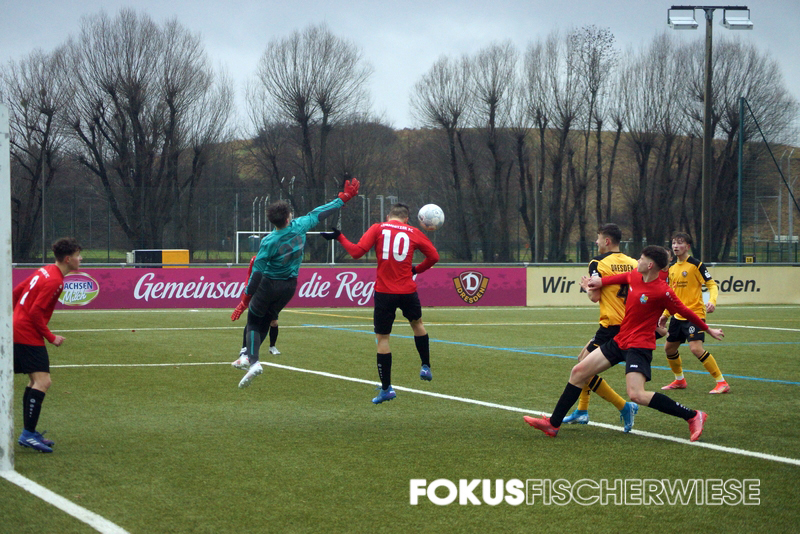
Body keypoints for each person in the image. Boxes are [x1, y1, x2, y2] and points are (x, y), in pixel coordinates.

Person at [524, 246, 724, 442]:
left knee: (636, 395)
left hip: (639, 346)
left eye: (641, 258)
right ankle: (553, 424)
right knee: (578, 372)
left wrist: (708, 330)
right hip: (620, 340)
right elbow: (617, 278)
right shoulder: (634, 276)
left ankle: (693, 415)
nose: (638, 261)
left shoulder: (663, 291)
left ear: (650, 265)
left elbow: (686, 312)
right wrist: (598, 282)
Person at [232, 177, 360, 388]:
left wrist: (245, 300)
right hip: (289, 286)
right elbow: (319, 213)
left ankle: (252, 360)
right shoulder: (300, 226)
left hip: (269, 284)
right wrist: (342, 199)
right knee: (267, 320)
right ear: (288, 217)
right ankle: (248, 358)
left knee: (253, 320)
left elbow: (257, 273)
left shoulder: (269, 241)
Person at [323, 203, 439, 404]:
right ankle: (425, 366)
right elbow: (434, 257)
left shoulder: (378, 228)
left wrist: (339, 237)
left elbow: (356, 252)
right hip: (408, 291)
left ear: (388, 216)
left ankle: (386, 389)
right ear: (406, 219)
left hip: (385, 292)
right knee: (417, 324)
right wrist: (416, 270)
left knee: (383, 338)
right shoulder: (413, 232)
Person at [562, 224, 639, 431]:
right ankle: (582, 410)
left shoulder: (598, 262)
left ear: (607, 241)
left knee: (582, 370)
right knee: (582, 362)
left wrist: (586, 287)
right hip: (630, 323)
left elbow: (595, 296)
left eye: (598, 238)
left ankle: (624, 406)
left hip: (611, 325)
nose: (596, 242)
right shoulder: (633, 262)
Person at [13, 237, 83, 453]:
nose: (81, 259)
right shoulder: (55, 281)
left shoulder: (45, 270)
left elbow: (17, 291)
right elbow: (35, 311)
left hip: (19, 327)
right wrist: (51, 337)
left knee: (34, 380)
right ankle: (27, 434)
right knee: (43, 382)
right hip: (27, 332)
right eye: (78, 255)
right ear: (68, 259)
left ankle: (29, 432)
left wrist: (12, 317)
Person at [660, 232, 729, 394]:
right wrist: (665, 314)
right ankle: (679, 380)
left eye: (680, 243)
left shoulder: (696, 265)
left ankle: (722, 382)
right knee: (669, 349)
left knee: (696, 349)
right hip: (678, 315)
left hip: (695, 314)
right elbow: (672, 294)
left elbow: (712, 284)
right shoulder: (672, 268)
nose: (676, 246)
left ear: (688, 246)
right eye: (674, 243)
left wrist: (712, 300)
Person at [231, 256, 280, 371]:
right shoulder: (256, 259)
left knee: (273, 322)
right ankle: (245, 349)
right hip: (258, 293)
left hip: (271, 294)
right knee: (253, 321)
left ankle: (271, 347)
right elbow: (250, 275)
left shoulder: (277, 260)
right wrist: (248, 292)